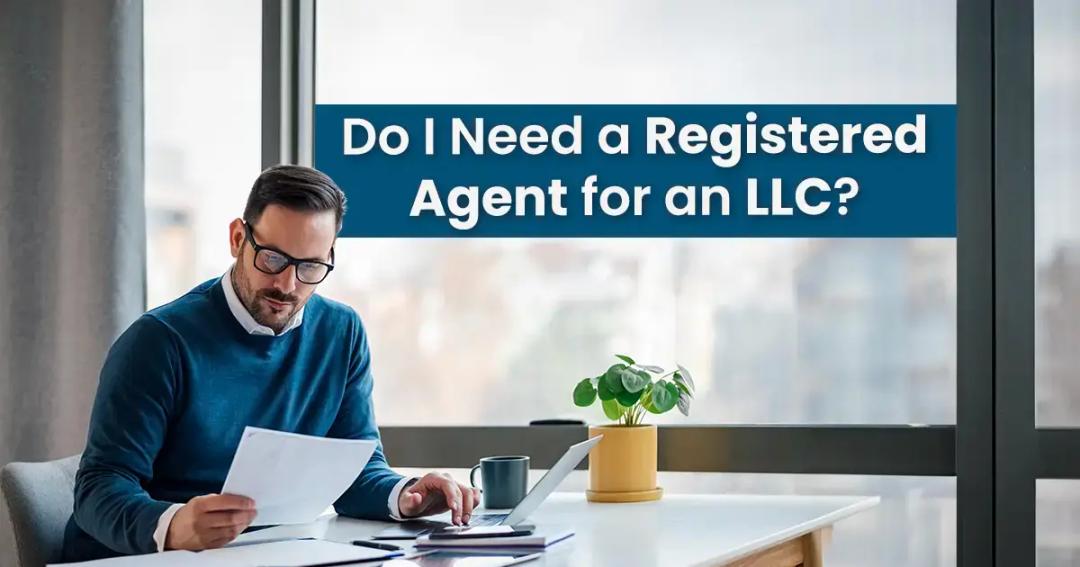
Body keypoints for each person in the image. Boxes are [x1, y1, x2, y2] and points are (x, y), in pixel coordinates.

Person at [62, 165, 480, 561]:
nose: (287, 284)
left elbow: (356, 470)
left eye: (311, 266)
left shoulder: (341, 332)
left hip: (262, 554)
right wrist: (173, 525)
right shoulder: (158, 342)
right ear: (237, 239)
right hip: (140, 559)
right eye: (274, 259)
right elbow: (99, 490)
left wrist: (406, 495)